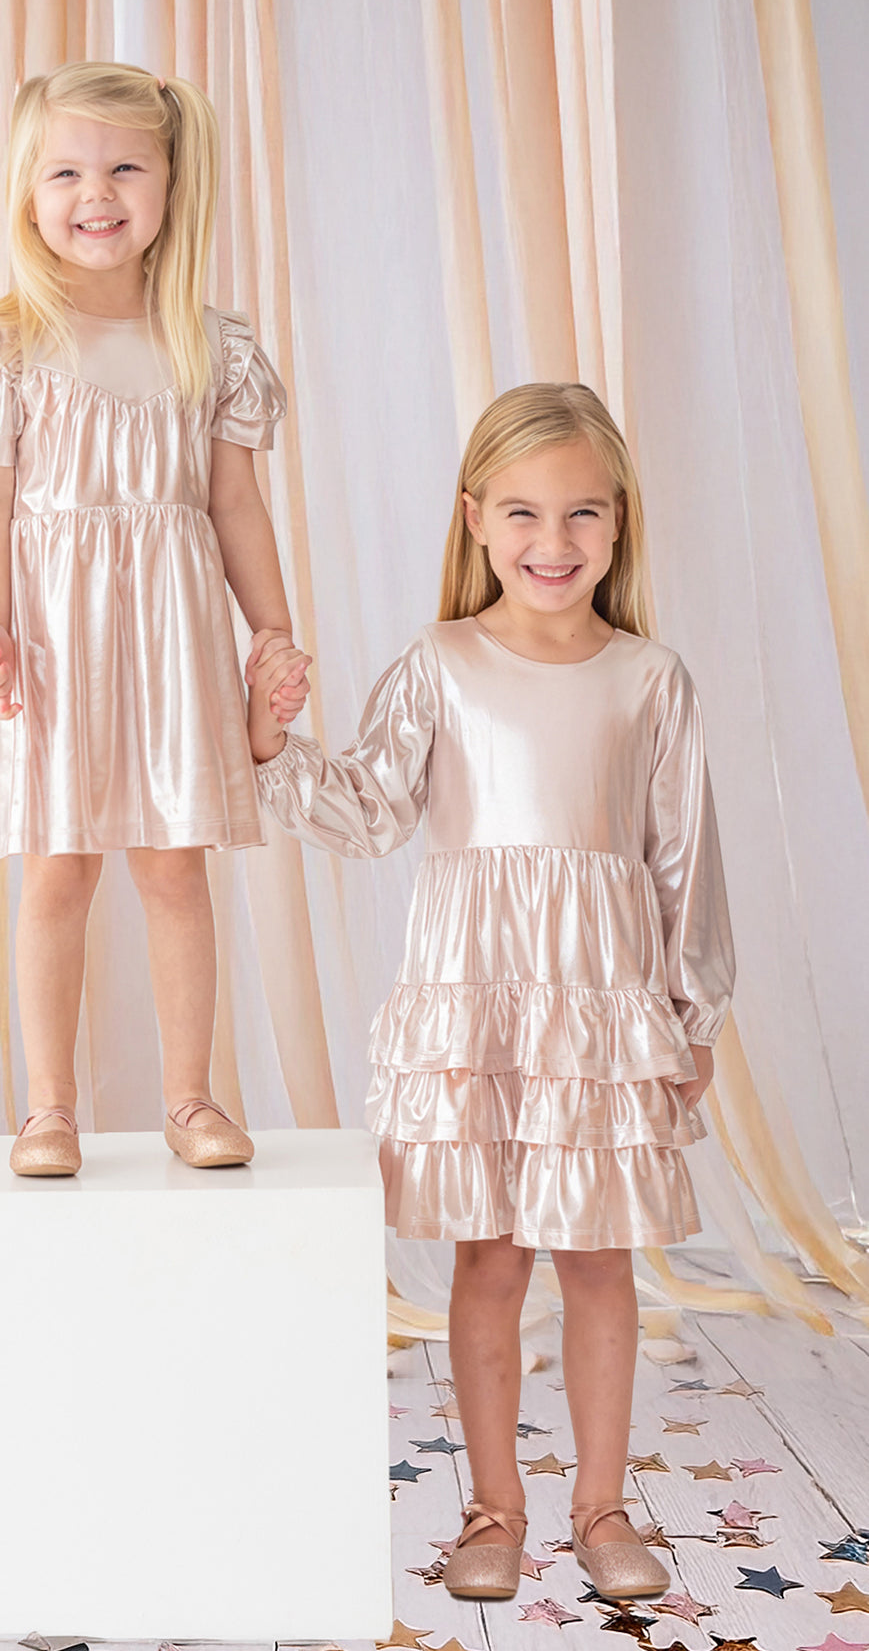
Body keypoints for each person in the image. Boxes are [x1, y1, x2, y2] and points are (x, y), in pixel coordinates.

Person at [247, 383, 734, 1602]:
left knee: (599, 1261)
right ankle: (494, 1508)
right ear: (474, 518)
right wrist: (269, 747)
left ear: (619, 522)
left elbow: (685, 861)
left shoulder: (650, 679)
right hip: (478, 1008)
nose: (552, 542)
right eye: (522, 512)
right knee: (493, 1258)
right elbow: (369, 810)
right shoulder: (442, 664)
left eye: (581, 514)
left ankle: (603, 1505)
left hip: (600, 1016)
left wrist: (693, 1015)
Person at [0, 62, 307, 1179]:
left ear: (170, 183)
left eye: (125, 168)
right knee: (57, 871)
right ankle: (49, 1110)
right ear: (27, 191)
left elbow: (234, 504)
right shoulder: (4, 345)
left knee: (174, 869)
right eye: (66, 173)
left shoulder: (206, 344)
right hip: (54, 645)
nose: (96, 194)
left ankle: (191, 1098)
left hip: (173, 639)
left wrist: (270, 632)